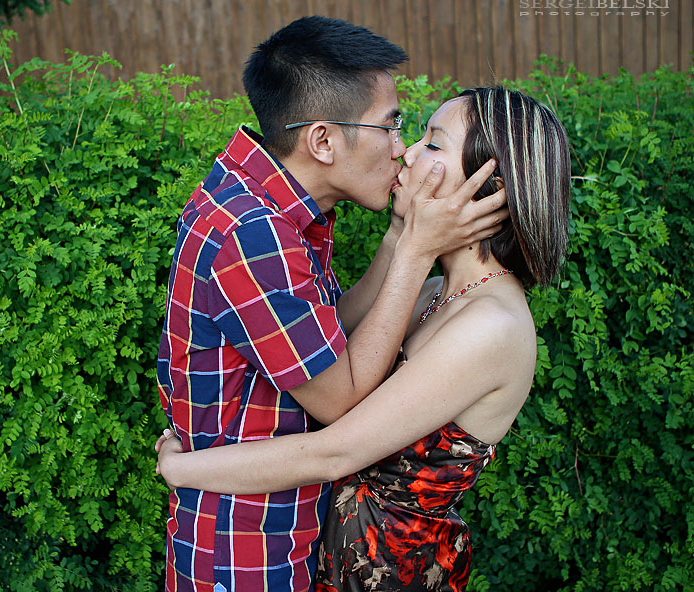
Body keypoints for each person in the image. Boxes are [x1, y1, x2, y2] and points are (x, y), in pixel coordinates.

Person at [156, 86, 571, 591]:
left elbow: (333, 452)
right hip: (335, 558)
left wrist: (186, 470)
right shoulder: (435, 291)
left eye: (434, 145)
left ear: (490, 187)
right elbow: (334, 345)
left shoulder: (490, 327)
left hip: (390, 575)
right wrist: (404, 238)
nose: (408, 152)